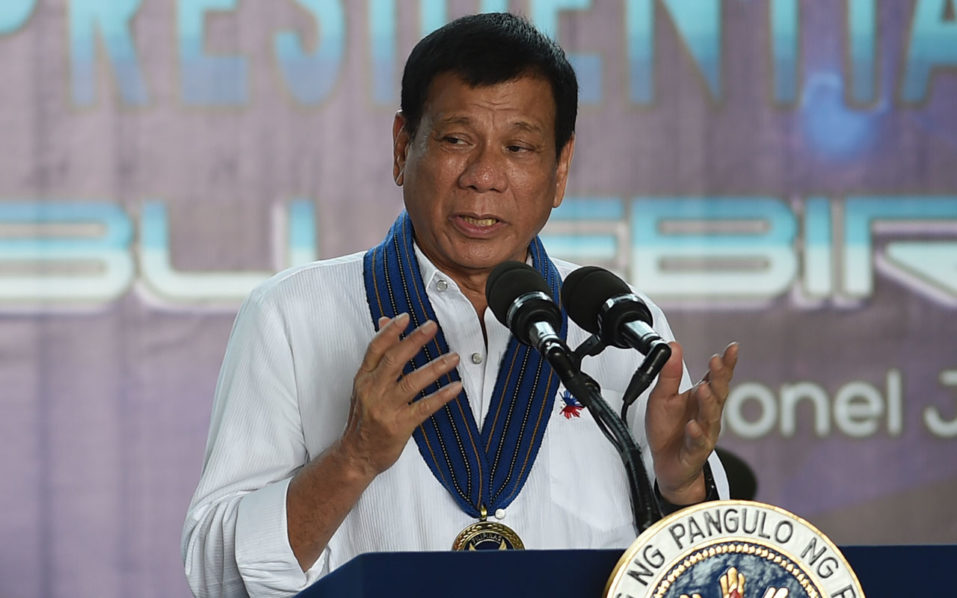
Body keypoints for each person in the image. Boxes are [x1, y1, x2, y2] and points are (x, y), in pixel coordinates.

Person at [181, 12, 738, 598]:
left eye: (519, 146)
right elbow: (217, 571)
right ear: (402, 146)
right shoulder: (291, 314)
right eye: (455, 140)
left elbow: (703, 577)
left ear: (560, 169)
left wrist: (684, 488)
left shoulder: (615, 322)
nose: (484, 176)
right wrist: (353, 458)